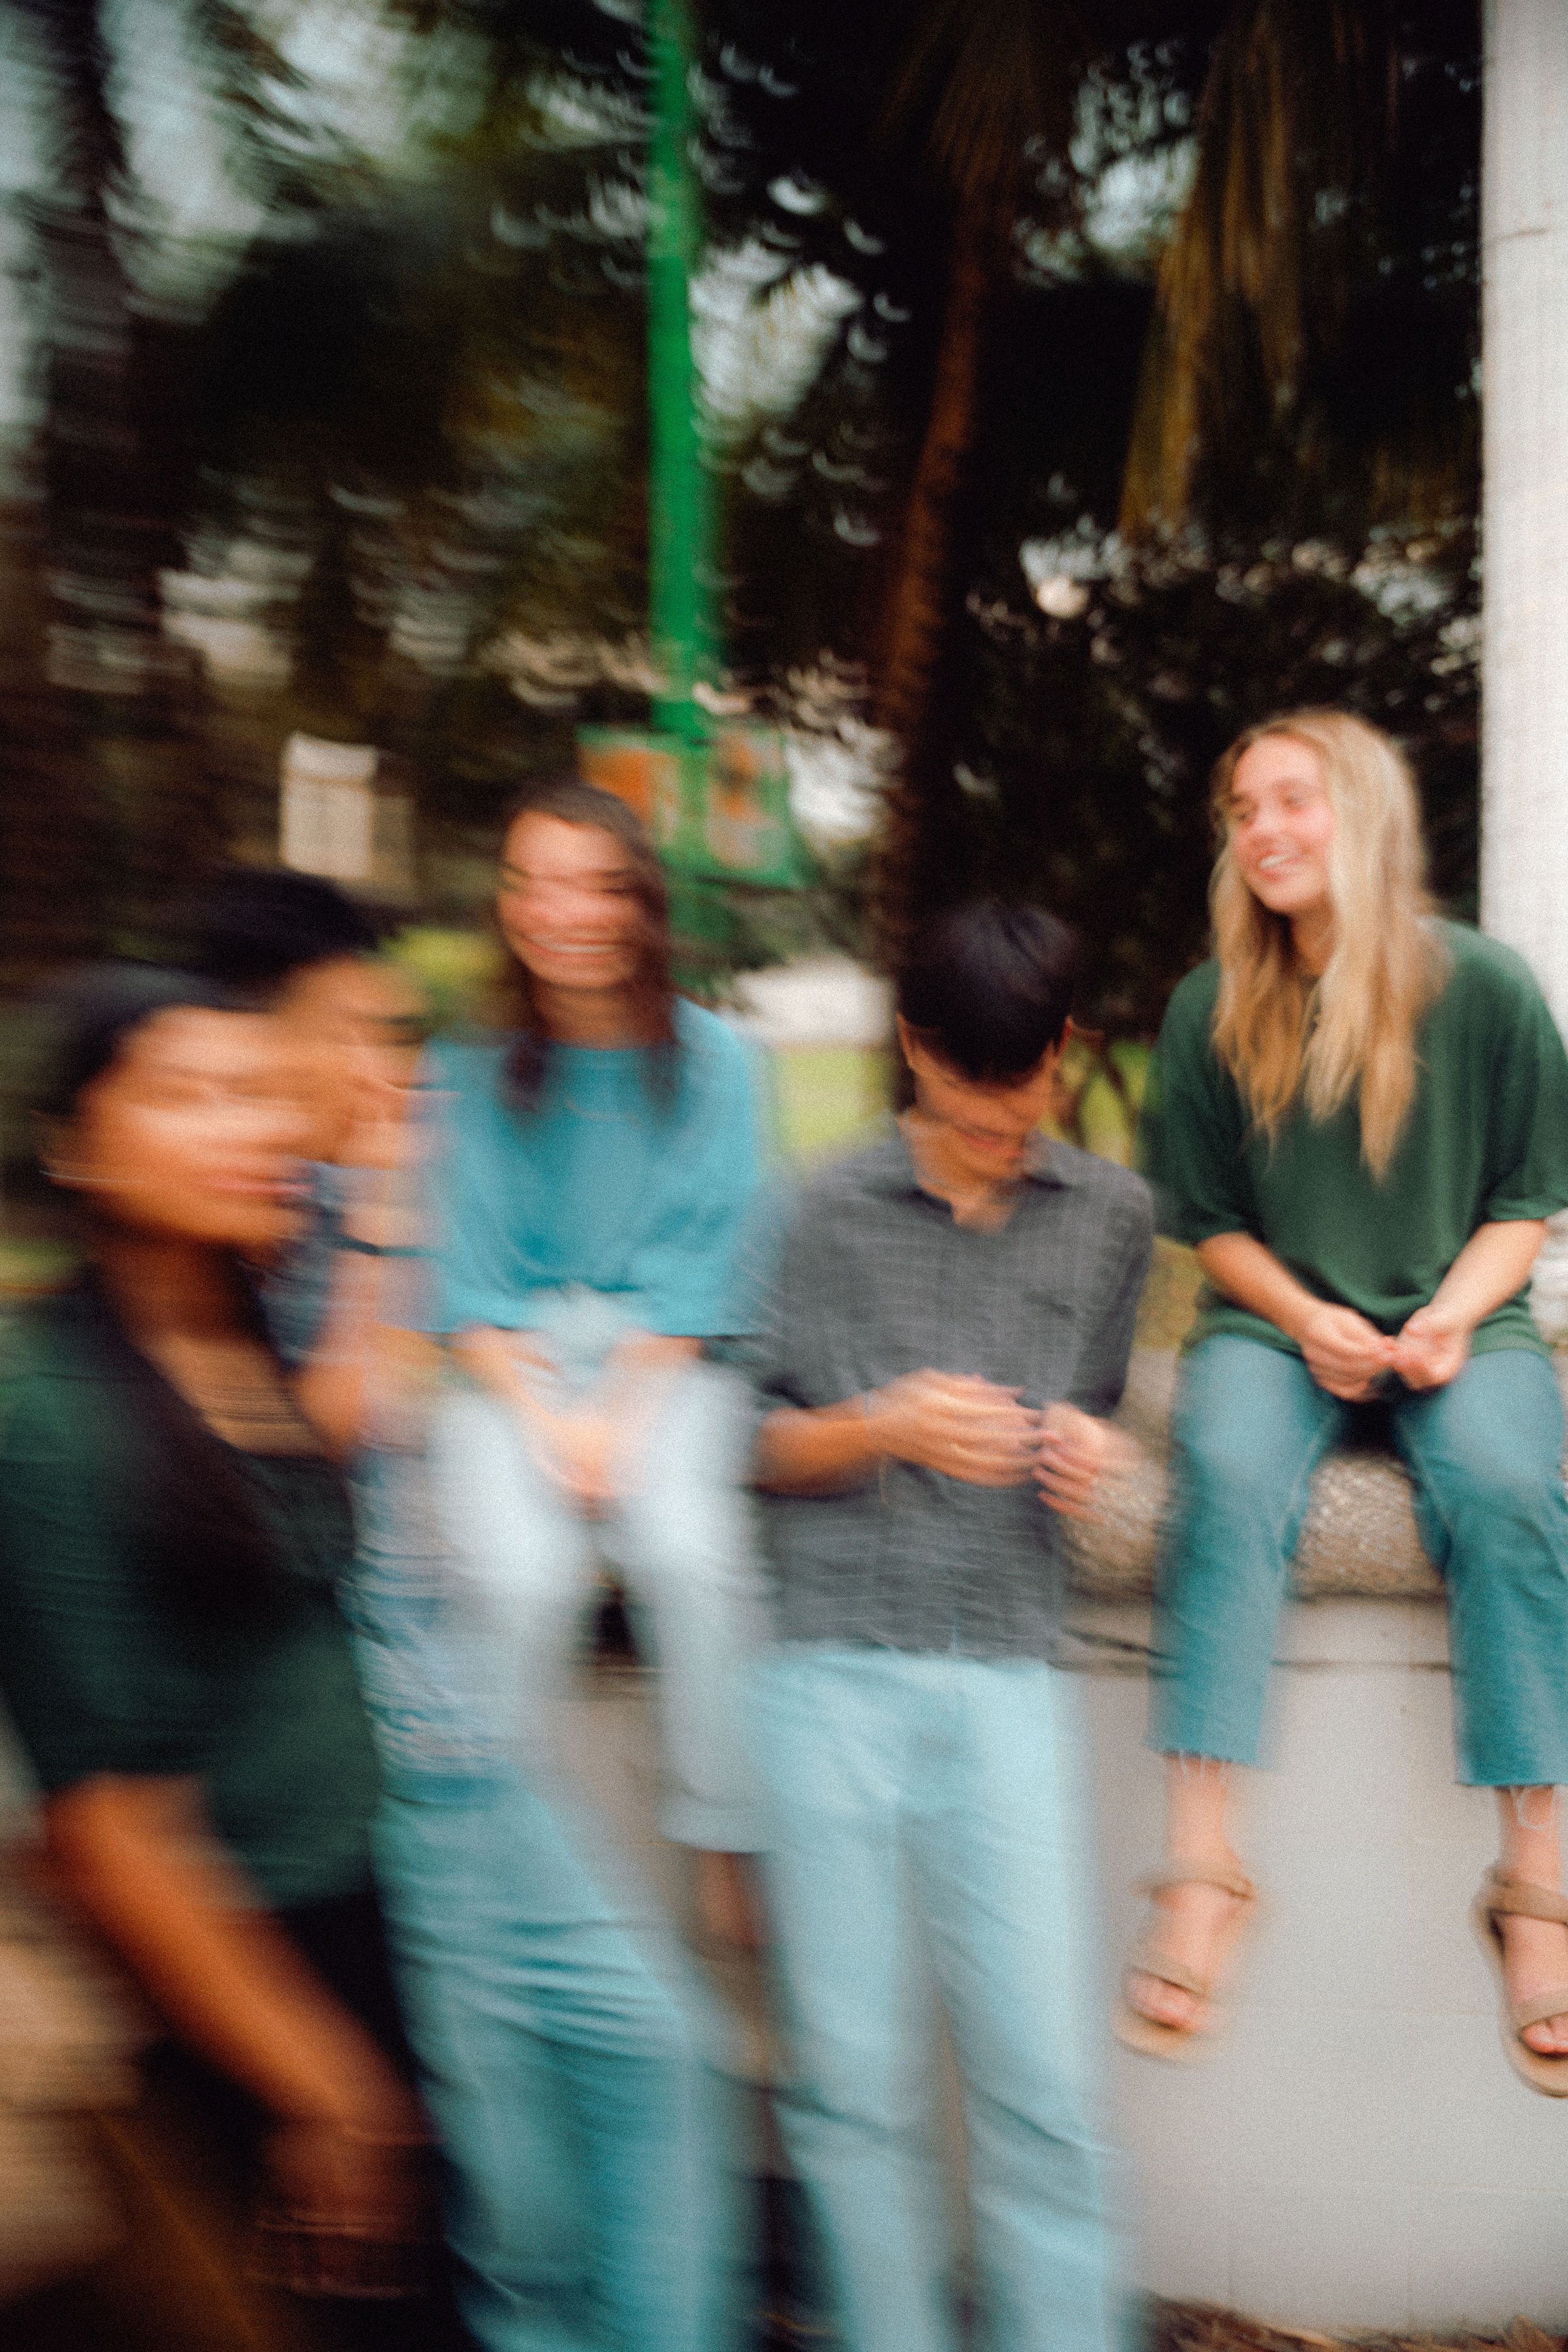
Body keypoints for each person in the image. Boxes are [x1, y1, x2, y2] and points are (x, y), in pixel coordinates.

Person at [198, 864, 746, 2351]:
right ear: (267, 1040)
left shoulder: (331, 1196)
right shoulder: (243, 1229)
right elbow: (316, 1460)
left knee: (652, 2059)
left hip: (461, 1726)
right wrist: (385, 1218)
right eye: (355, 1032)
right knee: (520, 2156)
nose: (385, 1068)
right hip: (382, 1754)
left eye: (391, 1032)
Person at [1120, 708, 1568, 2093]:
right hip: (1274, 1321)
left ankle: (1535, 1888)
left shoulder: (1486, 990)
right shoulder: (1212, 1007)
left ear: (1362, 816)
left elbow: (1529, 1199)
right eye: (1243, 809)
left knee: (1508, 1490)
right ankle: (1205, 1865)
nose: (1263, 831)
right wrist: (1309, 1314)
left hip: (1463, 1321)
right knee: (1231, 1473)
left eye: (1294, 802)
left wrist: (1442, 1316)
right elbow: (1207, 1223)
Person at [0, 965, 439, 2343]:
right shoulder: (46, 1410)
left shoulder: (231, 1335)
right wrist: (324, 2085)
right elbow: (110, 1828)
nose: (249, 1126)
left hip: (349, 1920)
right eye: (189, 1095)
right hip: (215, 1989)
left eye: (258, 1091)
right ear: (76, 1143)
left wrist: (375, 1195)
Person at [747, 899, 1152, 2352]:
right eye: (977, 1087)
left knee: (1042, 2085)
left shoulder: (1111, 1216)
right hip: (827, 1676)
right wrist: (881, 1424)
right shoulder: (810, 1205)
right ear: (914, 1047)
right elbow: (735, 1439)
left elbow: (1097, 1415)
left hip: (1004, 1677)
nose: (1009, 1117)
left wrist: (1093, 1463)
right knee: (853, 2089)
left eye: (1034, 1078)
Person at [421, 776, 769, 1939]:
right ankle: (508, 1855)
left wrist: (612, 1426)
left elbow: (700, 1279)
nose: (558, 911)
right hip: (509, 1370)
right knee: (522, 1582)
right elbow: (461, 1288)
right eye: (532, 883)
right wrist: (548, 1425)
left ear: (639, 905)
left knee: (694, 1553)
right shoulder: (466, 1065)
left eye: (591, 885)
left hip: (663, 1366)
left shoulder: (719, 1064)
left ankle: (723, 1836)